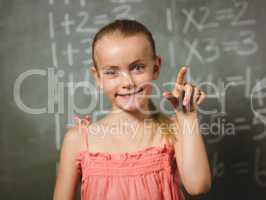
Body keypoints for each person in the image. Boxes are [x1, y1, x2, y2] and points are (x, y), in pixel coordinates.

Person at [53, 19, 211, 200]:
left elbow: (198, 186)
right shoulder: (79, 140)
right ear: (97, 77)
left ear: (156, 67)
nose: (128, 82)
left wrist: (188, 117)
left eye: (137, 67)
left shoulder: (175, 129)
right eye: (112, 72)